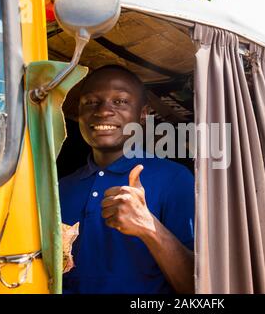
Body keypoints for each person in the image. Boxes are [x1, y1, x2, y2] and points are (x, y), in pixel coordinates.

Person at [59, 65, 195, 294]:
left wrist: (149, 227)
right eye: (91, 102)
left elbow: (198, 288)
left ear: (142, 115)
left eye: (120, 101)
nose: (103, 111)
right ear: (78, 112)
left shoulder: (174, 178)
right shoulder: (60, 188)